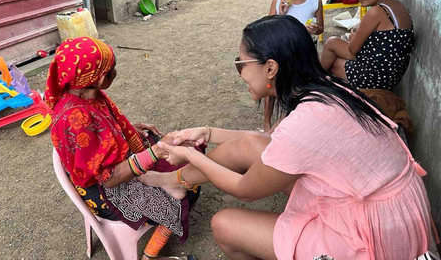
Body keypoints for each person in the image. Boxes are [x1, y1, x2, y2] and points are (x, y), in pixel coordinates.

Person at [140, 15, 433, 260]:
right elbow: (271, 139)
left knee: (224, 225)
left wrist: (193, 154)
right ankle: (174, 183)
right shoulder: (323, 90)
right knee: (251, 145)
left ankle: (175, 181)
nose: (240, 73)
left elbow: (245, 188)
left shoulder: (308, 119)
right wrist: (209, 132)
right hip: (389, 209)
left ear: (270, 67)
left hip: (374, 234)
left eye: (241, 64)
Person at [45, 37, 197, 260]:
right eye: (110, 70)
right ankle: (150, 256)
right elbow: (108, 177)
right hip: (104, 190)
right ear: (96, 79)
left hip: (106, 171)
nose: (115, 73)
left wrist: (126, 129)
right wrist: (154, 153)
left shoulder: (86, 94)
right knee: (188, 188)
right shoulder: (75, 118)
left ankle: (158, 178)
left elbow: (98, 133)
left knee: (179, 154)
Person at [320, 0, 413, 91]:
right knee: (334, 48)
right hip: (393, 75)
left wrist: (353, 37)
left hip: (375, 77)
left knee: (332, 47)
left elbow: (353, 49)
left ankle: (314, 82)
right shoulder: (400, 6)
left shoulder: (377, 11)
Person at [265, 0, 323, 131]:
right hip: (281, 52)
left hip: (303, 52)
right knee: (271, 87)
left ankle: (288, 122)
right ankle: (266, 122)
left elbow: (321, 28)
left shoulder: (315, 1)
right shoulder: (279, 1)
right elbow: (267, 28)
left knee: (298, 88)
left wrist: (315, 29)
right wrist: (281, 15)